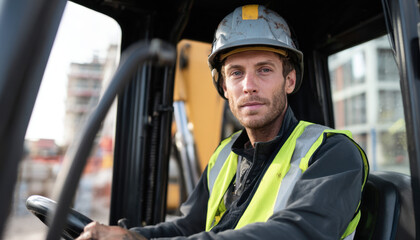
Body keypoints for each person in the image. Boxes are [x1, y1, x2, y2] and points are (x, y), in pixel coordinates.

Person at [76, 4, 369, 240]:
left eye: (264, 70)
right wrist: (131, 236)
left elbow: (294, 232)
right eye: (236, 73)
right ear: (224, 88)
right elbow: (187, 227)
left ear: (289, 80)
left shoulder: (333, 153)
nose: (249, 85)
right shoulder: (224, 156)